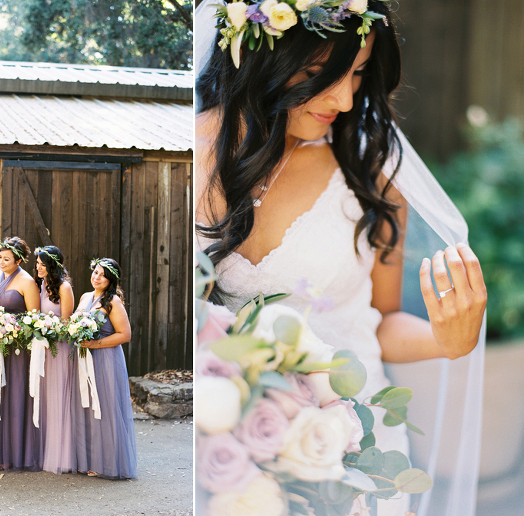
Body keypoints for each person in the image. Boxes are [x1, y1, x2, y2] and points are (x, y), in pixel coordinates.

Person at [194, 1, 487, 515]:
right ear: (260, 52)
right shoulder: (186, 154)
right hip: (227, 459)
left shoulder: (370, 172)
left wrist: (448, 341)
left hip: (352, 451)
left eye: (356, 74)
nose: (346, 99)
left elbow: (380, 321)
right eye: (319, 73)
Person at [73, 258, 137, 479]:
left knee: (106, 407)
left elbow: (124, 335)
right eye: (95, 272)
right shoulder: (84, 297)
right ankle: (87, 459)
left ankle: (107, 462)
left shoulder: (113, 302)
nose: (96, 277)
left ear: (111, 279)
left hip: (106, 359)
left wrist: (94, 344)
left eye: (102, 274)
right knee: (87, 407)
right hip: (84, 359)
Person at [0, 236, 41, 471]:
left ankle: (16, 453)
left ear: (19, 260)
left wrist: (12, 329)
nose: (1, 261)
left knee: (14, 397)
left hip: (16, 350)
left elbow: (34, 319)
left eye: (7, 258)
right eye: (0, 257)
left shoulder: (27, 283)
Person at [34, 245, 76, 474]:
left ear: (52, 265)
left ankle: (61, 455)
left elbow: (67, 323)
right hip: (43, 349)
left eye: (42, 263)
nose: (38, 267)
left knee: (59, 397)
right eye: (37, 263)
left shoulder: (64, 287)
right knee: (45, 397)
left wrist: (48, 329)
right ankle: (44, 450)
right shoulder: (42, 285)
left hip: (59, 348)